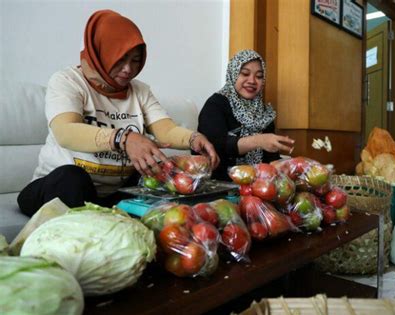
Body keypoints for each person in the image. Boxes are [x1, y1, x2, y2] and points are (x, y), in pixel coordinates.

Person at [17, 9, 219, 216]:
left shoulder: (140, 91)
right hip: (59, 187)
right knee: (71, 177)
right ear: (101, 53)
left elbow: (165, 130)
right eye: (120, 59)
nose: (128, 69)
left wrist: (193, 139)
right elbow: (65, 132)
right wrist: (124, 139)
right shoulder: (67, 81)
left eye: (135, 60)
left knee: (155, 181)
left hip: (113, 194)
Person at [197, 49, 294, 181]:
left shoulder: (264, 114)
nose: (252, 81)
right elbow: (216, 146)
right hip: (219, 185)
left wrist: (282, 165)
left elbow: (271, 159)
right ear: (233, 74)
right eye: (245, 74)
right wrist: (258, 141)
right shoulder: (216, 104)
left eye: (259, 76)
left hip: (257, 187)